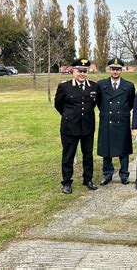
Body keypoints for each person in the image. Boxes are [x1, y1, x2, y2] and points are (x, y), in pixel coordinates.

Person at [54, 58, 98, 194]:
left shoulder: (93, 86)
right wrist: (69, 115)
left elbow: (93, 104)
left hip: (87, 126)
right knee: (68, 156)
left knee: (88, 155)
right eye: (79, 71)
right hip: (69, 127)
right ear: (73, 71)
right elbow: (58, 105)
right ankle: (66, 182)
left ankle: (88, 179)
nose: (82, 74)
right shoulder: (64, 86)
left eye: (84, 71)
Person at [96, 58, 135, 186]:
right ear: (109, 70)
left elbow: (131, 103)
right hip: (107, 120)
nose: (115, 72)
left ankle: (124, 175)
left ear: (121, 71)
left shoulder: (128, 86)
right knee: (107, 150)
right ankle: (107, 174)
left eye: (118, 69)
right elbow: (99, 102)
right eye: (113, 69)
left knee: (123, 150)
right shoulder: (101, 84)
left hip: (122, 121)